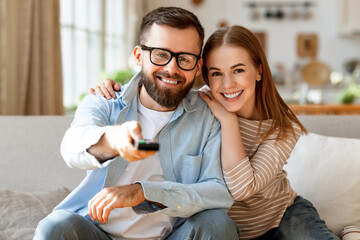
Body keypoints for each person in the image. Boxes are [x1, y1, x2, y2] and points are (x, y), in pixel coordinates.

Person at [93, 25, 340, 240]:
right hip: (225, 229)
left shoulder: (282, 128)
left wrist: (228, 120)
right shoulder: (197, 107)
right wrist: (116, 89)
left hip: (280, 216)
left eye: (239, 70)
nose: (228, 84)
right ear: (206, 77)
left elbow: (242, 189)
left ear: (259, 71)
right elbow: (158, 98)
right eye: (217, 73)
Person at [34, 7, 239, 240]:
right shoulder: (105, 101)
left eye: (184, 58)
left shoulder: (208, 113)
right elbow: (71, 148)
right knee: (55, 226)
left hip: (173, 236)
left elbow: (218, 192)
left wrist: (144, 192)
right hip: (97, 233)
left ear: (198, 66)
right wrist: (112, 140)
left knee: (218, 223)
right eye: (161, 54)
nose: (172, 69)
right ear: (139, 55)